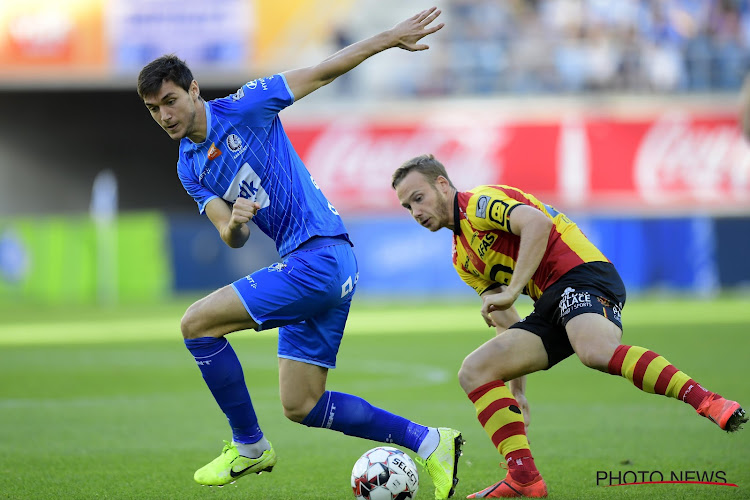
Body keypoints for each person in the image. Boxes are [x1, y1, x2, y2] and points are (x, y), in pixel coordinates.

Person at [136, 9, 465, 500]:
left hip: (319, 257)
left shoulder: (247, 104)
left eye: (170, 101)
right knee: (302, 403)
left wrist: (388, 38)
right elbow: (230, 236)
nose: (164, 115)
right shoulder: (189, 167)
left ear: (194, 91)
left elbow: (322, 70)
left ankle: (248, 446)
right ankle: (431, 441)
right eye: (153, 109)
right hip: (322, 264)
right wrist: (237, 224)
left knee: (196, 324)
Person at [391, 154, 747, 498]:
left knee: (594, 352)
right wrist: (518, 391)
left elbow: (537, 224)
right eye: (408, 207)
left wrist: (514, 289)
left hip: (581, 274)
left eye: (419, 198)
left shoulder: (480, 203)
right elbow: (507, 322)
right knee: (475, 371)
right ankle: (523, 479)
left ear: (442, 184)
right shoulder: (462, 258)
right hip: (551, 304)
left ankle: (709, 402)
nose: (416, 212)